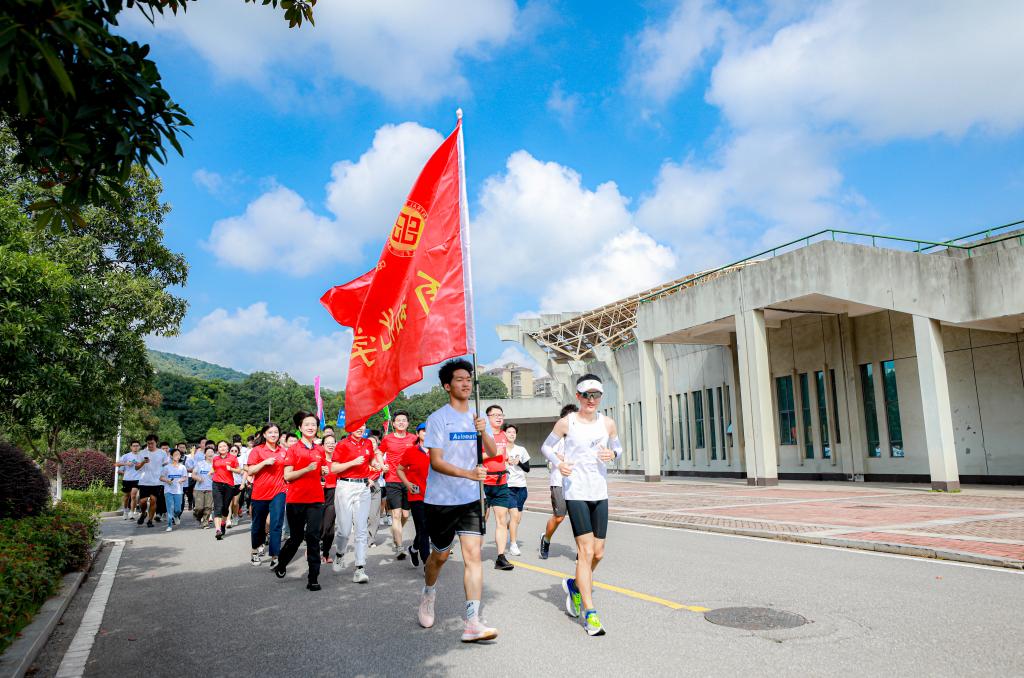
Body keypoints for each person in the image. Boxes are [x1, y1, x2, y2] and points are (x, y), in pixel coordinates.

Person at [417, 358, 500, 643]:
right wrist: (468, 473)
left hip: (471, 498)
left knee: (473, 556)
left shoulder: (478, 416)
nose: (466, 383)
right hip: (441, 499)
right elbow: (436, 462)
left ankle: (472, 622)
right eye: (460, 379)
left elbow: (493, 452)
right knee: (440, 556)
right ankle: (429, 592)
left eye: (469, 379)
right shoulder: (438, 419)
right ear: (447, 386)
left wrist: (483, 430)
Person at [541, 374, 622, 637]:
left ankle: (575, 585)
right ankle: (590, 613)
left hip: (599, 492)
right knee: (585, 552)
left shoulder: (607, 423)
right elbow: (546, 447)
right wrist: (559, 463)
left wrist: (613, 454)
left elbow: (618, 449)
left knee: (598, 553)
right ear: (578, 396)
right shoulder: (567, 422)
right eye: (586, 395)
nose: (591, 399)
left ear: (601, 396)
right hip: (576, 492)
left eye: (596, 395)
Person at [273, 411, 328, 591]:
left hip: (316, 499)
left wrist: (323, 471)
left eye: (313, 424)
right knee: (296, 538)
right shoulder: (293, 449)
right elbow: (287, 476)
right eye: (307, 424)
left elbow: (321, 470)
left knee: (313, 537)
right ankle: (282, 563)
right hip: (296, 500)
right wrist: (306, 469)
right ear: (299, 427)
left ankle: (313, 578)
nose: (311, 427)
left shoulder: (320, 449)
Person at [330, 424, 380, 583]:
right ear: (350, 427)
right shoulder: (342, 444)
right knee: (344, 530)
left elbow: (371, 460)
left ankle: (360, 568)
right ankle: (340, 554)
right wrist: (352, 462)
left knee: (361, 529)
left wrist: (375, 464)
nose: (360, 428)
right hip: (345, 486)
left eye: (363, 425)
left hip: (363, 487)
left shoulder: (367, 443)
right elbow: (334, 468)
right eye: (357, 425)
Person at [246, 423, 287, 568]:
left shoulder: (283, 451)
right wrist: (264, 463)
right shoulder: (257, 450)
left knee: (276, 523)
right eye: (270, 432)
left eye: (276, 432)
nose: (273, 435)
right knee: (258, 524)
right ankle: (255, 550)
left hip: (279, 491)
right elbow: (250, 471)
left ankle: (275, 556)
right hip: (260, 493)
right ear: (264, 434)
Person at [540, 403, 578, 559]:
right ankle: (546, 538)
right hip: (559, 482)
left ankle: (581, 552)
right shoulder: (556, 438)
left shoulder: (580, 439)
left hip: (577, 483)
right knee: (559, 517)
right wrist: (558, 458)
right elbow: (548, 456)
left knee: (579, 519)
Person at [379, 410, 416, 560]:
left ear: (408, 423)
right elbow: (378, 452)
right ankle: (400, 548)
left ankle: (396, 531)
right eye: (398, 420)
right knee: (396, 514)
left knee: (405, 515)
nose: (401, 422)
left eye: (404, 420)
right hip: (392, 479)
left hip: (409, 481)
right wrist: (382, 465)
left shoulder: (413, 438)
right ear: (393, 424)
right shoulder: (387, 439)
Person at [482, 405, 514, 571]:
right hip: (483, 484)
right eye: (495, 415)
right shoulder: (482, 436)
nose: (499, 417)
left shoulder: (504, 435)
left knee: (502, 520)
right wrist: (494, 453)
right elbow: (474, 457)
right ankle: (473, 553)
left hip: (501, 483)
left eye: (501, 414)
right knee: (481, 520)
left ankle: (501, 557)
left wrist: (507, 460)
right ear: (487, 417)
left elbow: (503, 456)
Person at [397, 422, 430, 567]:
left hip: (435, 497)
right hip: (417, 496)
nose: (427, 433)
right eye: (424, 430)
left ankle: (414, 548)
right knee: (423, 529)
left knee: (429, 528)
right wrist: (407, 484)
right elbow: (399, 469)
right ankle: (427, 564)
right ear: (417, 434)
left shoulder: (438, 451)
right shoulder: (411, 451)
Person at [503, 424, 530, 556]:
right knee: (514, 516)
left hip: (521, 487)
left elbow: (527, 469)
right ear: (504, 434)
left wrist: (519, 463)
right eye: (509, 432)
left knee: (517, 519)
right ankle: (513, 545)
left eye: (514, 432)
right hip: (508, 487)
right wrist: (505, 463)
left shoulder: (521, 449)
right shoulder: (501, 450)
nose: (512, 434)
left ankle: (504, 528)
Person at [135, 434, 168, 528]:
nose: (150, 445)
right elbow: (136, 467)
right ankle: (143, 513)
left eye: (152, 443)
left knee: (153, 500)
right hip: (144, 481)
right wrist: (143, 462)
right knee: (143, 501)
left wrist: (165, 477)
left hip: (157, 481)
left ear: (156, 443)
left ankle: (150, 520)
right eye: (148, 443)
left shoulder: (162, 453)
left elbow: (166, 466)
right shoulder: (142, 453)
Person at [211, 441, 241, 540]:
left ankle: (223, 523)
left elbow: (239, 470)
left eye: (224, 446)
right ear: (217, 449)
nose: (222, 448)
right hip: (217, 484)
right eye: (220, 446)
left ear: (228, 448)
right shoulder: (215, 458)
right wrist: (210, 472)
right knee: (218, 507)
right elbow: (214, 468)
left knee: (225, 508)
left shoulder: (233, 458)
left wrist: (231, 469)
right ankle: (218, 530)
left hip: (229, 485)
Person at [319, 433, 338, 564]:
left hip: (334, 493)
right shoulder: (319, 460)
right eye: (328, 443)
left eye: (333, 443)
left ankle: (325, 553)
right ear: (323, 445)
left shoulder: (339, 460)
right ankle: (313, 549)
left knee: (329, 528)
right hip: (319, 493)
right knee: (320, 526)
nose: (331, 445)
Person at [160, 449, 188, 531]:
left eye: (178, 454)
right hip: (168, 490)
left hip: (178, 490)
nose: (177, 456)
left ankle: (176, 516)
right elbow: (161, 477)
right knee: (170, 508)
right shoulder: (166, 467)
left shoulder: (182, 467)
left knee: (178, 509)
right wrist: (167, 480)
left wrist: (181, 480)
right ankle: (169, 525)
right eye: (175, 454)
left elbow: (185, 477)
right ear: (171, 456)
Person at [117, 440, 142, 519]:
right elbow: (116, 464)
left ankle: (131, 512)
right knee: (126, 496)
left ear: (139, 447)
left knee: (133, 495)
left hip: (137, 479)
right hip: (127, 479)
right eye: (134, 446)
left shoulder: (142, 456)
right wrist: (126, 464)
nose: (135, 447)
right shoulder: (126, 456)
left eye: (137, 446)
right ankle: (125, 511)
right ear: (131, 447)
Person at [192, 448, 214, 528]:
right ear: (205, 454)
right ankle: (197, 517)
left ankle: (205, 522)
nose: (210, 453)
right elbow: (193, 474)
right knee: (199, 507)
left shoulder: (215, 465)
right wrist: (198, 478)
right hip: (199, 489)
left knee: (208, 507)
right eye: (208, 452)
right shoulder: (200, 464)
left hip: (211, 488)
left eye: (212, 452)